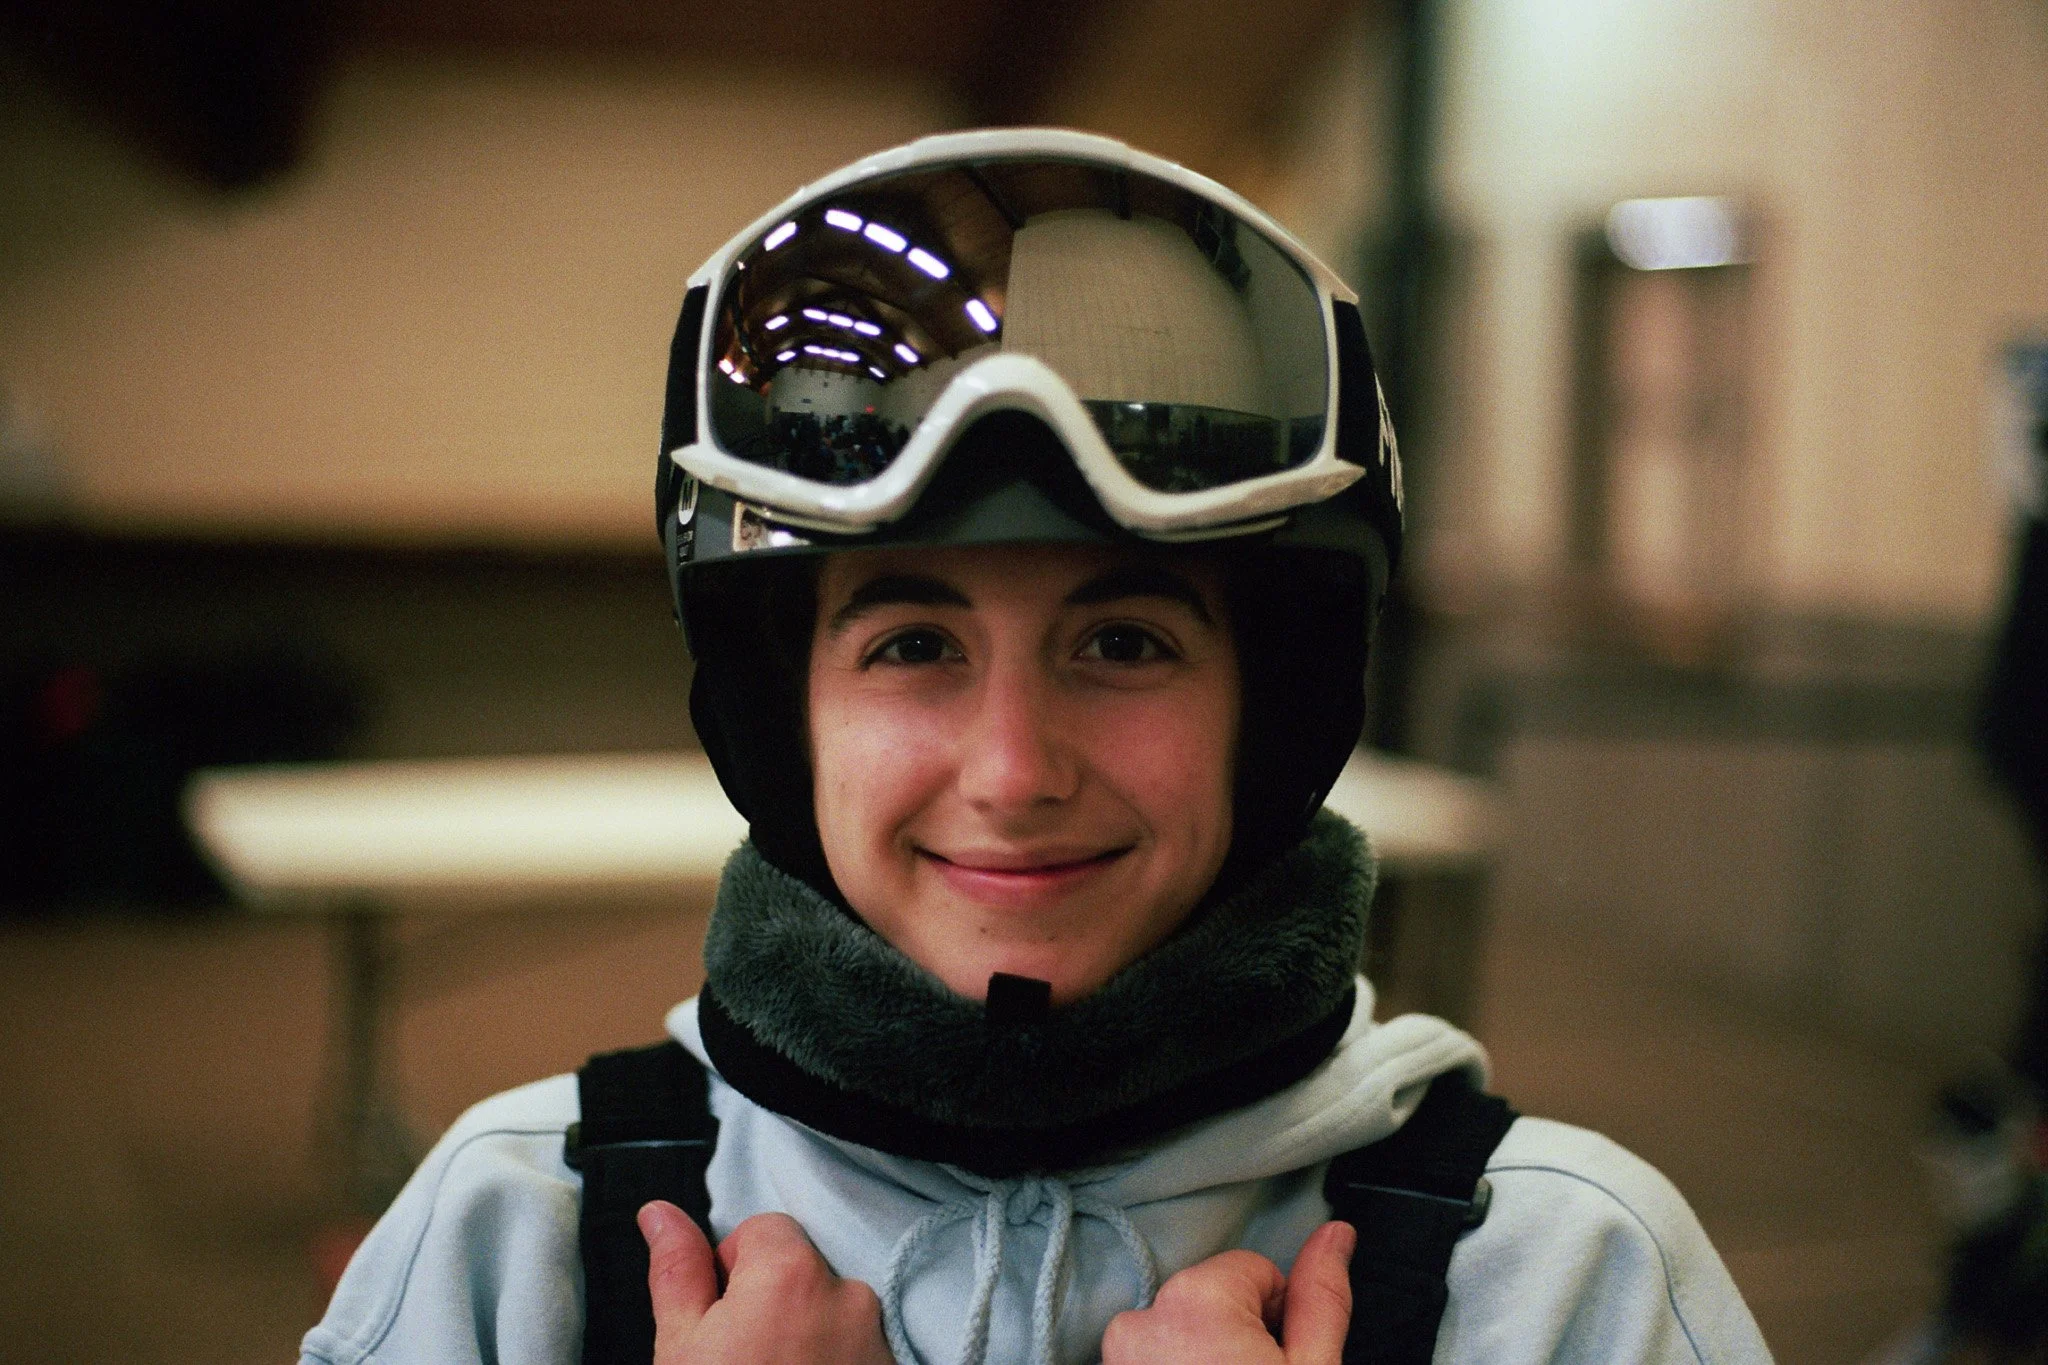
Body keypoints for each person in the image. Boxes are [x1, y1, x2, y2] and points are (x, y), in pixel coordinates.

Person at [300, 128, 1770, 1365]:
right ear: (780, 713)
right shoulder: (517, 1237)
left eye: (1123, 644)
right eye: (912, 647)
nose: (1013, 774)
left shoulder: (1563, 1272)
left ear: (1273, 709)